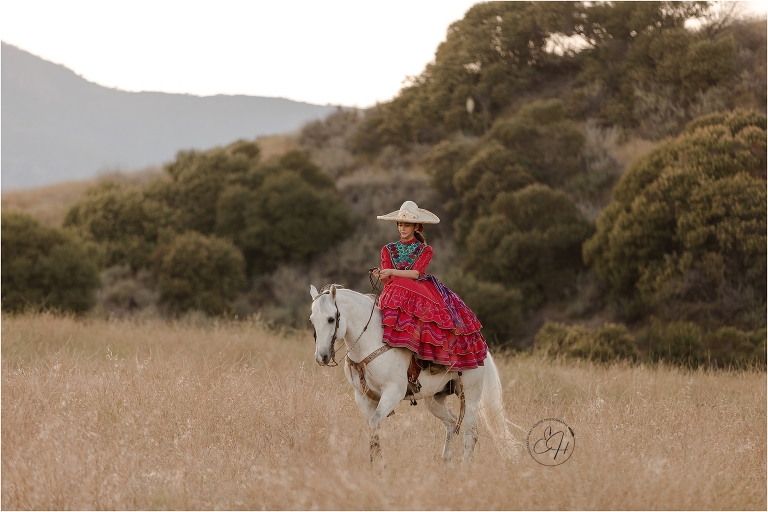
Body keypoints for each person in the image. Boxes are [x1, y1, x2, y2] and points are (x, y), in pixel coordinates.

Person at [373, 200, 487, 370]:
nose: (402, 228)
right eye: (400, 224)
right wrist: (382, 274)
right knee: (392, 292)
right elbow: (387, 279)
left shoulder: (425, 250)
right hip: (395, 288)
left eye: (407, 225)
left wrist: (390, 271)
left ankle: (427, 359)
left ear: (416, 227)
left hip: (417, 287)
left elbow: (415, 274)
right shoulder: (387, 249)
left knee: (429, 312)